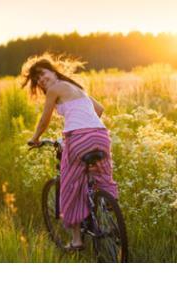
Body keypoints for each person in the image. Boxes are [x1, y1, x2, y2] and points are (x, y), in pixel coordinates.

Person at [20, 53, 118, 251]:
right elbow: (99, 109)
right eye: (37, 79)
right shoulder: (78, 88)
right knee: (101, 176)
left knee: (70, 185)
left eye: (42, 73)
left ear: (53, 69)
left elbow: (44, 119)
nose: (41, 79)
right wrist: (82, 122)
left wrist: (35, 138)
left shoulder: (55, 89)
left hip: (78, 139)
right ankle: (108, 204)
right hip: (100, 135)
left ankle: (76, 240)